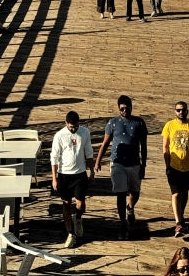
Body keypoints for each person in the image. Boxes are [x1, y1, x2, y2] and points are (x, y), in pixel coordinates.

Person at [95, 95, 148, 240]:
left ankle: (130, 207)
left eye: (127, 108)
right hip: (117, 163)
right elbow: (105, 143)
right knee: (120, 193)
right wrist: (98, 161)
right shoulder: (112, 123)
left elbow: (143, 145)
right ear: (119, 109)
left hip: (134, 163)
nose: (124, 111)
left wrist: (143, 165)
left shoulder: (139, 123)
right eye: (122, 109)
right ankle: (123, 226)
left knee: (135, 192)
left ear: (131, 106)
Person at [50, 110, 95, 248]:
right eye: (71, 127)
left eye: (75, 126)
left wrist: (92, 171)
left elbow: (89, 152)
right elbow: (54, 157)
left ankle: (79, 218)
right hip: (64, 175)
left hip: (80, 173)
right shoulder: (59, 135)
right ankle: (70, 233)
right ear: (66, 124)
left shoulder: (85, 133)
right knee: (66, 204)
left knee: (80, 204)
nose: (73, 129)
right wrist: (54, 178)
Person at [163, 101, 189, 236]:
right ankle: (178, 222)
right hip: (174, 166)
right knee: (176, 193)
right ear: (175, 111)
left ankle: (181, 216)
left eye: (183, 110)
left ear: (187, 110)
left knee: (184, 193)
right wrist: (167, 164)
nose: (181, 112)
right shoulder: (169, 126)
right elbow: (165, 147)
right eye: (178, 110)